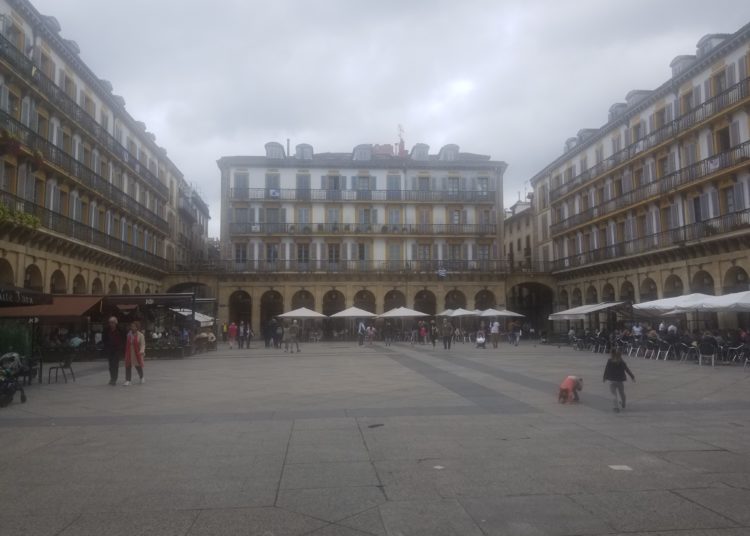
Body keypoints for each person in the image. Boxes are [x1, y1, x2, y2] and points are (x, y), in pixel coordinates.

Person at [102, 316, 124, 386]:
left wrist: (122, 347)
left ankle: (114, 379)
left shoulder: (120, 329)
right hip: (110, 349)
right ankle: (112, 378)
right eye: (110, 322)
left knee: (115, 364)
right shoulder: (106, 330)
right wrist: (106, 345)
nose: (111, 324)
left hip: (117, 349)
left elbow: (124, 338)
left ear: (115, 323)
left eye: (112, 322)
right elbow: (104, 338)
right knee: (111, 365)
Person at [123, 321, 145, 386]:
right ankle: (128, 380)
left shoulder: (140, 335)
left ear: (137, 327)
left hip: (136, 352)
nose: (132, 328)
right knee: (128, 365)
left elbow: (143, 344)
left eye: (134, 326)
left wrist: (141, 351)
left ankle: (141, 377)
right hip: (129, 352)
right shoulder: (128, 334)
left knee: (138, 365)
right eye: (131, 326)